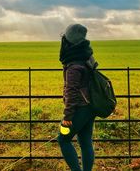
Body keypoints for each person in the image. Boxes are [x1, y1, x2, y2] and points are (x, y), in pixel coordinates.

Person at [57, 24, 97, 171]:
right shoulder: (87, 58)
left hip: (80, 108)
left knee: (63, 139)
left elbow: (71, 92)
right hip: (90, 106)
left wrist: (67, 116)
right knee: (85, 142)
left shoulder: (73, 66)